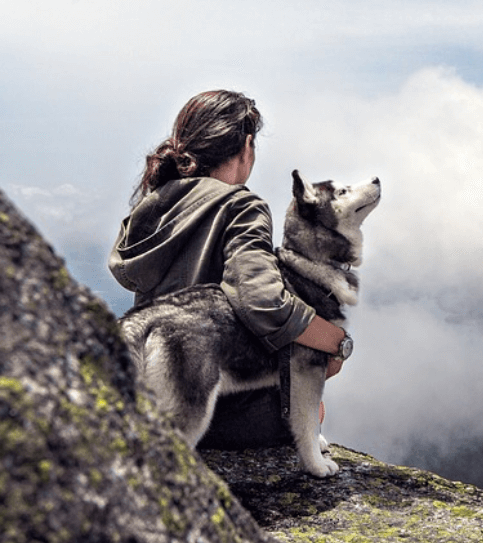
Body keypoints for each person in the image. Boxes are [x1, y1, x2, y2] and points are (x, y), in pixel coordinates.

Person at [109, 89, 347, 448]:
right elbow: (262, 299)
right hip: (211, 405)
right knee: (313, 408)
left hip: (148, 393)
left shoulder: (153, 205)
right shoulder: (240, 205)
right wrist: (336, 342)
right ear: (247, 145)